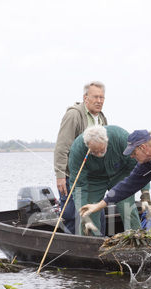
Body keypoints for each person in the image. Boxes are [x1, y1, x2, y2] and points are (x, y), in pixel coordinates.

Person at [68, 125, 143, 235]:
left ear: (106, 140)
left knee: (127, 208)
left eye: (102, 150)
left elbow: (139, 166)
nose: (99, 155)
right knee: (90, 212)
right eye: (94, 152)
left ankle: (137, 238)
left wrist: (145, 191)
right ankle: (89, 244)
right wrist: (84, 216)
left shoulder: (121, 137)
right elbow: (78, 186)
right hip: (94, 180)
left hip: (120, 174)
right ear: (87, 145)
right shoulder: (77, 150)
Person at [53, 81, 107, 233]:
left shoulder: (102, 118)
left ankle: (97, 248)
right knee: (72, 215)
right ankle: (70, 251)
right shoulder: (73, 115)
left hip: (94, 179)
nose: (99, 101)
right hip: (72, 177)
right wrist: (60, 176)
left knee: (97, 214)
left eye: (102, 97)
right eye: (95, 97)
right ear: (85, 98)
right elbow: (62, 148)